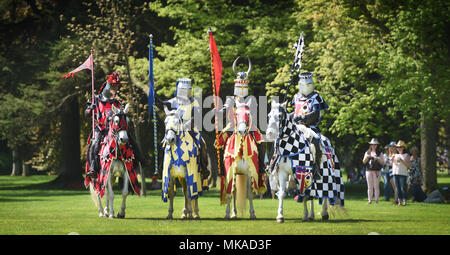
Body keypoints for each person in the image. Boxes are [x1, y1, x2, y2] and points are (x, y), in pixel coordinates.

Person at [163, 78, 210, 183]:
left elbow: (197, 117)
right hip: (174, 129)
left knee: (202, 144)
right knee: (164, 145)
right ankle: (165, 169)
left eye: (187, 90)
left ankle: (204, 169)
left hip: (190, 129)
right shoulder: (173, 101)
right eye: (183, 90)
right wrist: (158, 102)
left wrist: (187, 125)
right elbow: (165, 107)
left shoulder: (194, 102)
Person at [292, 72, 329, 180]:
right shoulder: (296, 97)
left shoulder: (316, 97)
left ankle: (316, 167)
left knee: (316, 141)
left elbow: (315, 114)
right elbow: (294, 112)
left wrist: (302, 118)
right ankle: (274, 164)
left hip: (310, 127)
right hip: (296, 127)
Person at [85, 72, 122, 177]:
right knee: (95, 144)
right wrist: (89, 109)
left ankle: (137, 161)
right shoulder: (95, 100)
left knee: (128, 139)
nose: (114, 89)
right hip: (100, 128)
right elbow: (86, 114)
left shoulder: (116, 102)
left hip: (114, 129)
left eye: (116, 87)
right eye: (113, 86)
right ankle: (93, 167)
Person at [362, 138, 385, 204]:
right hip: (369, 170)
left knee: (376, 186)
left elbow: (382, 162)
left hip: (377, 171)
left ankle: (376, 200)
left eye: (375, 144)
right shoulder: (367, 152)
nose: (374, 146)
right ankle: (369, 200)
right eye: (372, 144)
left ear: (377, 145)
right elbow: (364, 161)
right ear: (370, 145)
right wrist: (367, 157)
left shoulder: (380, 153)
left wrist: (377, 158)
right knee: (369, 186)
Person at [392, 140, 411, 206]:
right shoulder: (395, 155)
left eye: (400, 147)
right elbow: (392, 164)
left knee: (403, 188)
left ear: (403, 148)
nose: (399, 148)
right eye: (398, 147)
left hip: (403, 174)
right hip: (395, 173)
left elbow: (408, 166)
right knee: (397, 188)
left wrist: (402, 160)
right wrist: (392, 159)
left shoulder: (406, 155)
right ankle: (399, 201)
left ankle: (405, 201)